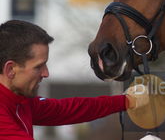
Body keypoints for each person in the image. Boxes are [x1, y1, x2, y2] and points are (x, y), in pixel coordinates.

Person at [0, 20, 148, 140]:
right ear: (10, 70)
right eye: (38, 67)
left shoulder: (20, 102)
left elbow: (70, 109)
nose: (46, 73)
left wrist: (127, 101)